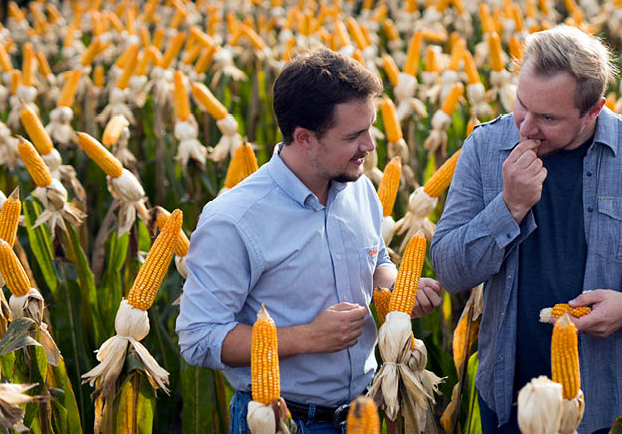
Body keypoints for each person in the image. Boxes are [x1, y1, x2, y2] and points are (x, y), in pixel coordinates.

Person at [430, 26, 622, 434]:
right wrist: (510, 206)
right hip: (508, 398)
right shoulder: (484, 147)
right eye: (522, 105)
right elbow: (451, 270)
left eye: (548, 118)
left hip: (608, 402)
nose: (525, 128)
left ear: (593, 110)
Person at [177, 48, 442, 434]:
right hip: (282, 421)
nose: (370, 146)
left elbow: (377, 258)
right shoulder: (233, 221)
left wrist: (396, 287)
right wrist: (307, 338)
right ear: (304, 138)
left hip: (367, 413)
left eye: (368, 128)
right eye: (354, 135)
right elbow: (199, 338)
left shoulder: (361, 188)